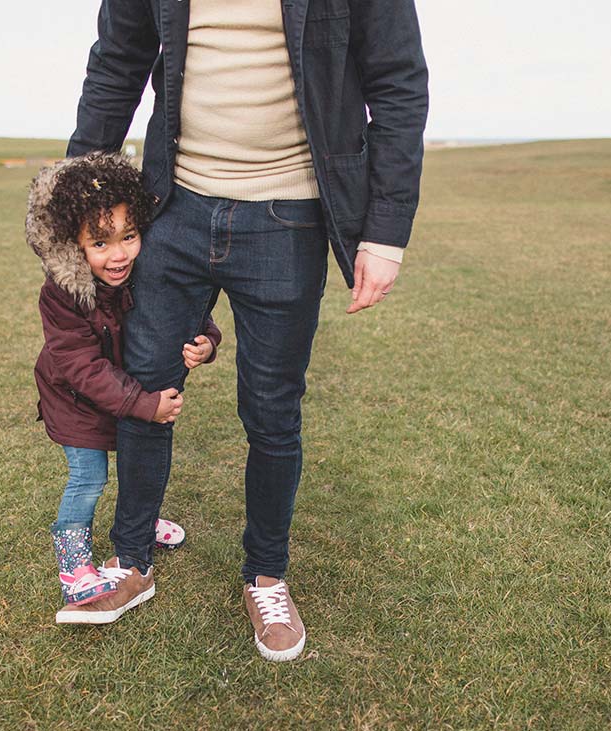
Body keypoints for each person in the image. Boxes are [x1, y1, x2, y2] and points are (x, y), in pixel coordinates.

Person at [61, 0, 429, 661]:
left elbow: (397, 79)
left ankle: (265, 576)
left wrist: (385, 229)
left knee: (272, 409)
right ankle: (132, 560)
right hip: (169, 206)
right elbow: (117, 62)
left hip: (290, 215)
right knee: (143, 385)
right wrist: (75, 196)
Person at [27, 152, 222, 623]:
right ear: (74, 246)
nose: (119, 255)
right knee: (89, 478)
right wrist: (142, 403)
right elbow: (80, 367)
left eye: (129, 237)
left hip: (123, 393)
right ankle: (74, 566)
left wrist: (207, 343)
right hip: (75, 403)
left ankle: (142, 523)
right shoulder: (63, 293)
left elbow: (185, 314)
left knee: (138, 458)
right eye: (100, 243)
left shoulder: (143, 273)